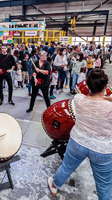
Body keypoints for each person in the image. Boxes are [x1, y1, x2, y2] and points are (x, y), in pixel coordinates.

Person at [48, 69, 112, 200]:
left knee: (66, 167)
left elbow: (89, 98)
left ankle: (54, 186)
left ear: (88, 86)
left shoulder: (78, 99)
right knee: (104, 184)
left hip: (77, 142)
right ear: (106, 87)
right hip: (102, 149)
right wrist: (104, 97)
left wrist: (98, 96)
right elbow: (103, 101)